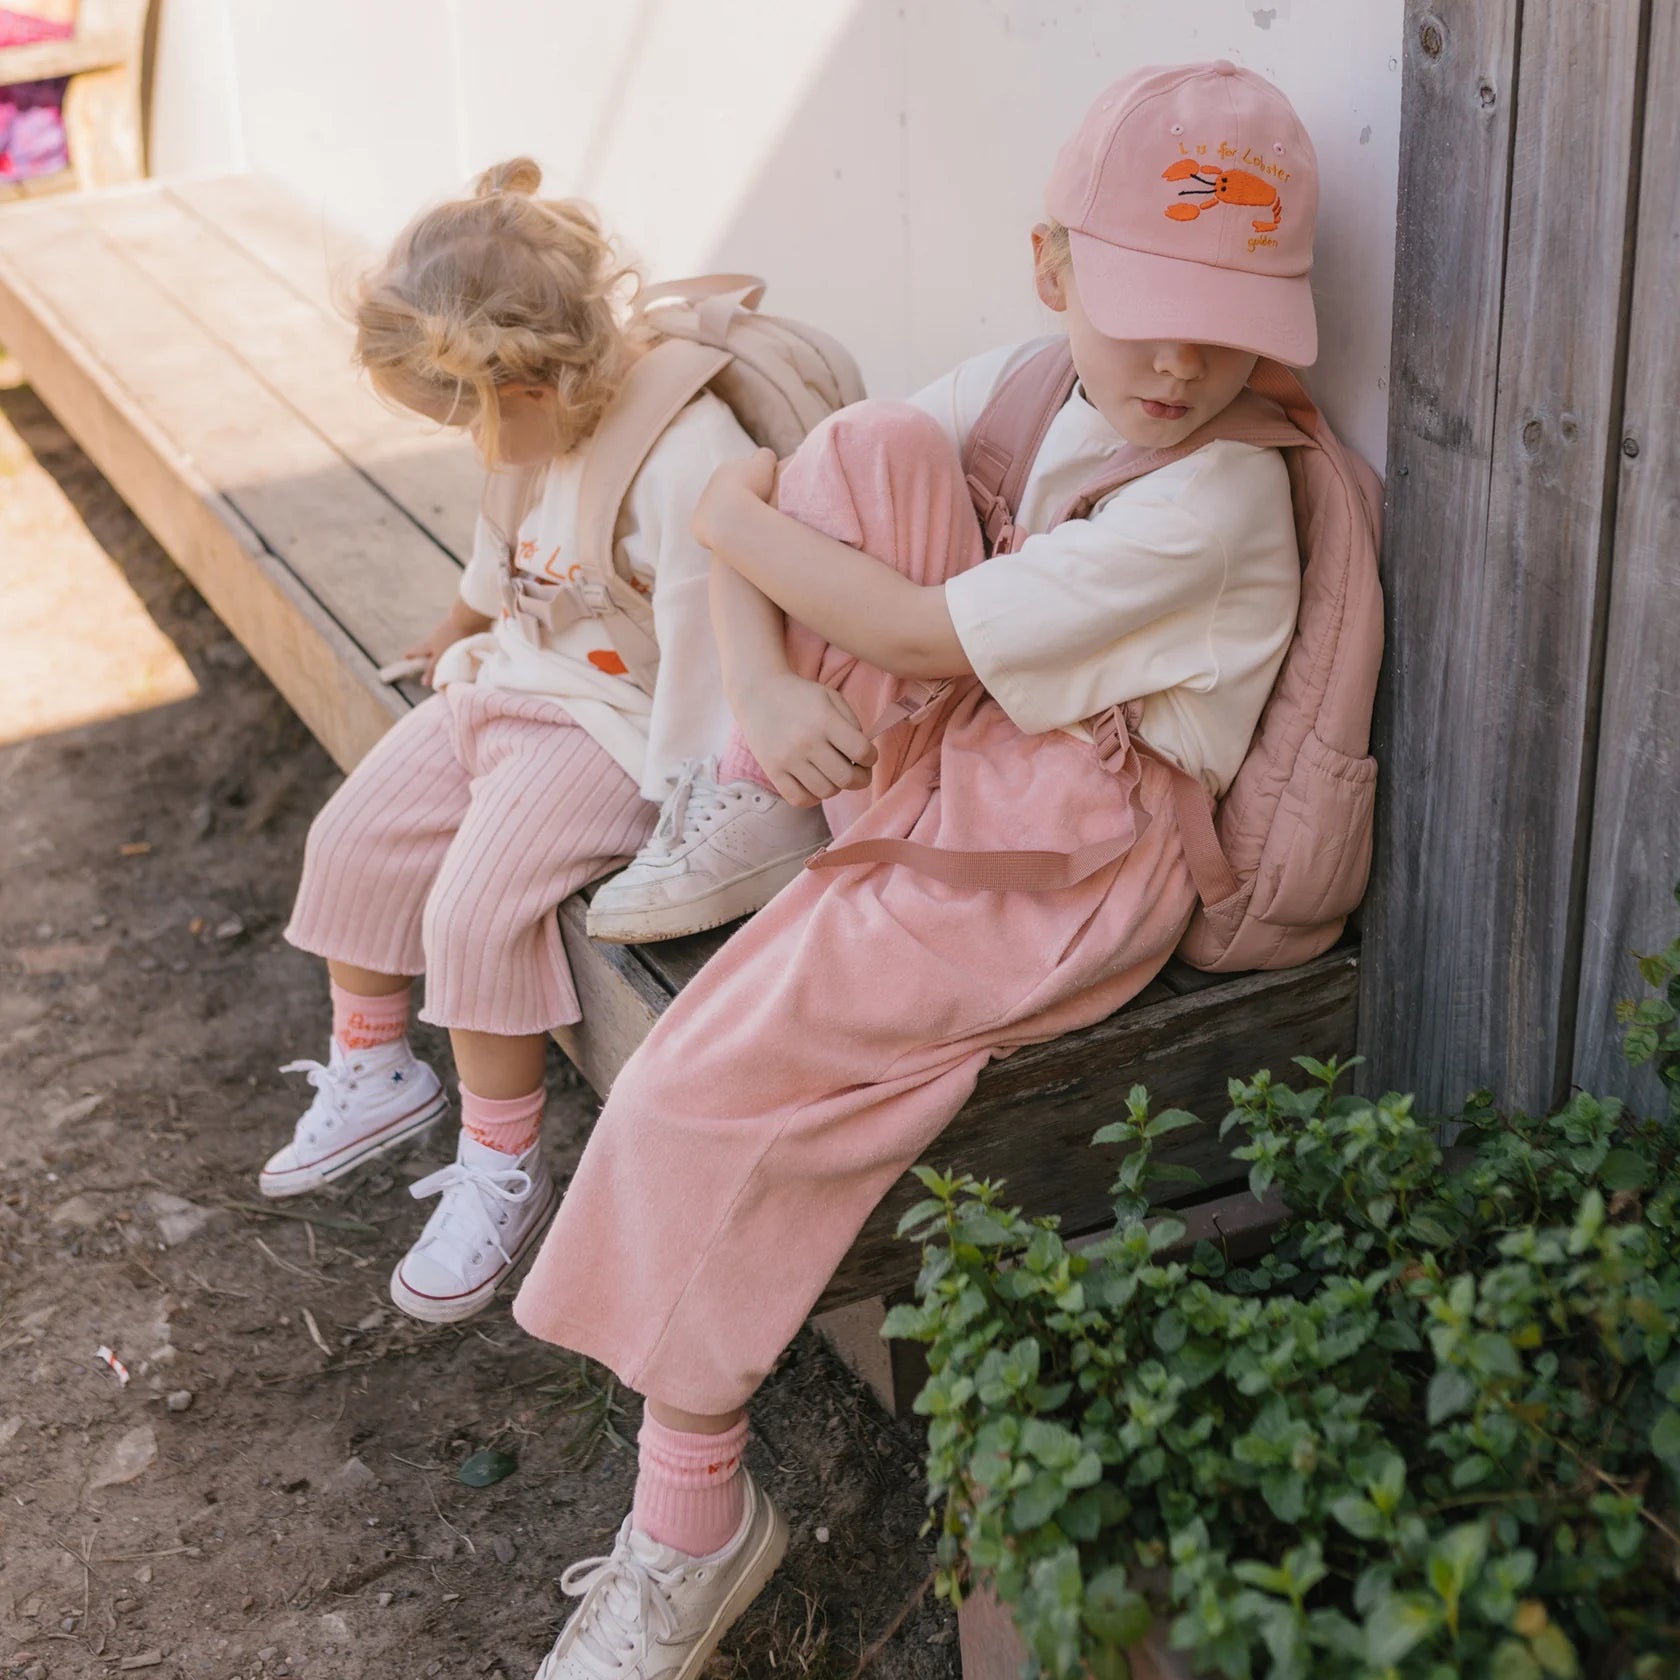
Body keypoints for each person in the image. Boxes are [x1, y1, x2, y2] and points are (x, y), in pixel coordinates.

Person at [512, 60, 1325, 1680]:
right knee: (877, 444)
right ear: (1053, 270)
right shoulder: (1044, 386)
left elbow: (894, 625)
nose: (1176, 358)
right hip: (960, 767)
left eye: (1223, 321)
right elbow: (762, 484)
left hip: (1079, 855)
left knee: (707, 1071)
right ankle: (759, 790)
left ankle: (694, 1523)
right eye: (1143, 301)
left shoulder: (1226, 491)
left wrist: (769, 591)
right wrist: (764, 690)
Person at [266, 158, 828, 1324]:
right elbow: (500, 542)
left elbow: (717, 646)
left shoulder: (686, 455)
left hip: (620, 735)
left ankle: (501, 1166)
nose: (459, 441)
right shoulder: (528, 429)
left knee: (472, 910)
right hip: (514, 681)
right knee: (354, 836)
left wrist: (691, 811)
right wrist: (459, 626)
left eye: (454, 417)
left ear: (521, 379)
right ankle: (377, 1067)